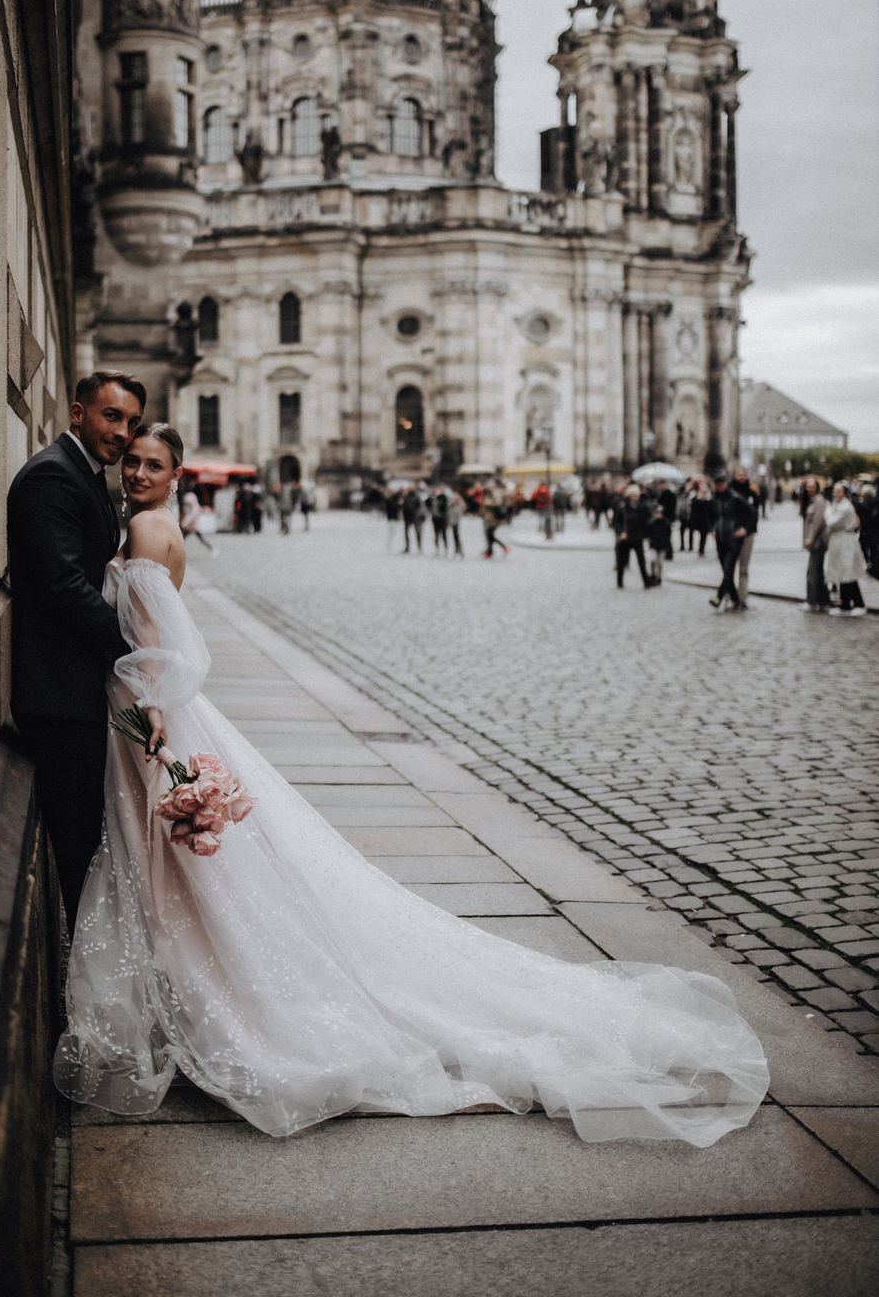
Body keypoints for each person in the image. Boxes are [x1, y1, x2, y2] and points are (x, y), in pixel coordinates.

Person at [53, 421, 769, 1146]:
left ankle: (203, 993)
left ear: (176, 475)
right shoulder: (157, 526)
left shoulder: (144, 529)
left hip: (151, 711)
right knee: (189, 867)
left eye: (152, 464)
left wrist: (151, 714)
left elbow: (160, 644)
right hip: (160, 709)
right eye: (134, 462)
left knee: (179, 863)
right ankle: (194, 986)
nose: (137, 472)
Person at [7, 369, 147, 930]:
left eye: (131, 421)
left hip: (74, 691)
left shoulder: (82, 473)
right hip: (59, 698)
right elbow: (65, 586)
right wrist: (131, 648)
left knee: (90, 843)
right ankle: (85, 979)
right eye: (112, 416)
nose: (123, 432)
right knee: (81, 848)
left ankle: (91, 968)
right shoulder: (52, 476)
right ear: (77, 413)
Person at [708, 471, 753, 612]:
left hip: (733, 538)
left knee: (728, 569)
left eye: (720, 483)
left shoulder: (735, 498)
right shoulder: (714, 499)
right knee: (726, 571)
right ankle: (734, 599)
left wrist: (745, 529)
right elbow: (710, 516)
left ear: (725, 484)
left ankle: (719, 597)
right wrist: (712, 529)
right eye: (716, 484)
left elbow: (752, 513)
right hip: (720, 538)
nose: (718, 486)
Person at [823, 482, 868, 615]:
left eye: (838, 491)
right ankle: (845, 604)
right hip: (839, 540)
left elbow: (830, 521)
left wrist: (827, 510)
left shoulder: (844, 507)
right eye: (834, 491)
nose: (835, 494)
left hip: (845, 541)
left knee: (848, 572)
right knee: (842, 572)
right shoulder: (838, 504)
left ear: (844, 493)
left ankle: (859, 603)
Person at [728, 466, 760, 607]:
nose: (741, 477)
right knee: (729, 568)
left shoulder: (752, 491)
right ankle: (730, 597)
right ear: (734, 476)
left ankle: (742, 598)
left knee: (744, 568)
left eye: (743, 474)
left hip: (747, 534)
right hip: (732, 533)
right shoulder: (728, 491)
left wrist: (747, 529)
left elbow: (755, 513)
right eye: (738, 474)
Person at [613, 484, 654, 588]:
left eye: (637, 495)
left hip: (637, 537)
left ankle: (646, 582)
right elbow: (616, 522)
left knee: (641, 561)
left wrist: (647, 536)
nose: (635, 498)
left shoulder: (642, 506)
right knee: (622, 561)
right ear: (629, 495)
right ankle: (619, 582)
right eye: (633, 495)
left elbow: (647, 521)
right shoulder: (622, 506)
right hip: (625, 537)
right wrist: (620, 532)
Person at [800, 477, 830, 612]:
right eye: (808, 486)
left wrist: (810, 539)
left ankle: (812, 602)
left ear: (817, 487)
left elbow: (818, 522)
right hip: (814, 542)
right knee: (818, 572)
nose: (810, 488)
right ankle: (823, 602)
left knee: (812, 573)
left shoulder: (819, 501)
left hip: (818, 542)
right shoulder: (810, 500)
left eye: (812, 486)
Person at [180, 486, 217, 553]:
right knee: (184, 538)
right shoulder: (192, 499)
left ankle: (212, 549)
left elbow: (192, 513)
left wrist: (185, 522)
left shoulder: (189, 499)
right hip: (191, 524)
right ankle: (212, 549)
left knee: (183, 538)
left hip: (191, 524)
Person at [480, 485, 509, 558]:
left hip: (493, 520)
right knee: (489, 535)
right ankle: (489, 551)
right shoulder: (491, 495)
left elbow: (496, 504)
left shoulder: (495, 495)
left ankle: (503, 547)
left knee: (490, 535)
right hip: (489, 520)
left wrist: (488, 504)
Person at [401, 485, 426, 553]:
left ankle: (419, 547)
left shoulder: (417, 497)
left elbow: (419, 506)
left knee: (417, 533)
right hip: (407, 517)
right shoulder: (406, 496)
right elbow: (404, 506)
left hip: (415, 517)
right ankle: (407, 547)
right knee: (406, 533)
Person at [446, 487, 466, 558]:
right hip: (452, 522)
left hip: (456, 522)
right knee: (454, 537)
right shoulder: (451, 505)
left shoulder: (459, 505)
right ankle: (457, 550)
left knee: (457, 537)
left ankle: (460, 551)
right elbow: (448, 512)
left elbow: (459, 513)